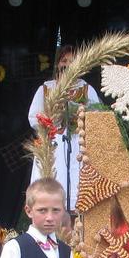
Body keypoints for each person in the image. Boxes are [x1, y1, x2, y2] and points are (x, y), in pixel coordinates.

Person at [28, 45, 101, 212]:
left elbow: (97, 117)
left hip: (78, 143)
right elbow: (33, 117)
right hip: (52, 143)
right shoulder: (46, 88)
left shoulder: (86, 89)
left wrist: (79, 118)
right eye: (64, 60)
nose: (67, 64)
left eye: (72, 61)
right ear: (57, 64)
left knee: (76, 183)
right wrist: (49, 123)